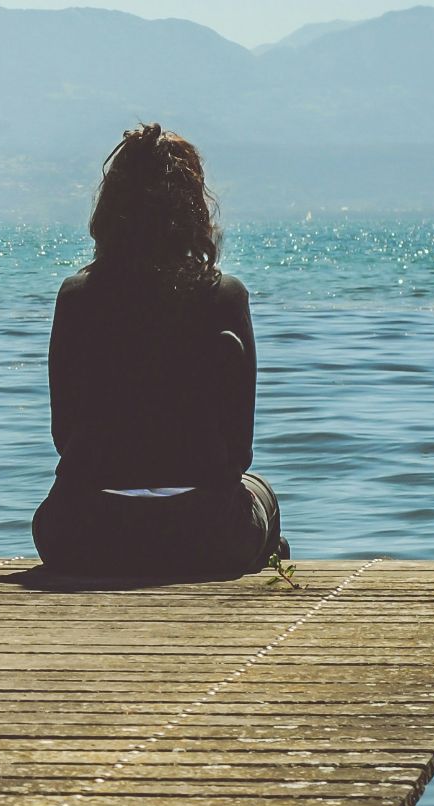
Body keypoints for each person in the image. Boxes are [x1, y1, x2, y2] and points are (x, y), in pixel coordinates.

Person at [33, 123, 285, 579]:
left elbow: (63, 437)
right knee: (261, 492)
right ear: (193, 212)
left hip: (85, 532)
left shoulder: (77, 298)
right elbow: (239, 453)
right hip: (208, 534)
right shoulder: (225, 297)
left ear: (110, 210)